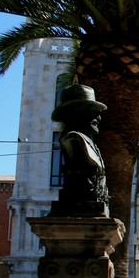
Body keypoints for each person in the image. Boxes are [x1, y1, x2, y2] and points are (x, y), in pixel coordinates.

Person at [48, 84, 110, 217]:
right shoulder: (73, 139)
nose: (98, 117)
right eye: (93, 111)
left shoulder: (92, 146)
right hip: (76, 205)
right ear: (78, 112)